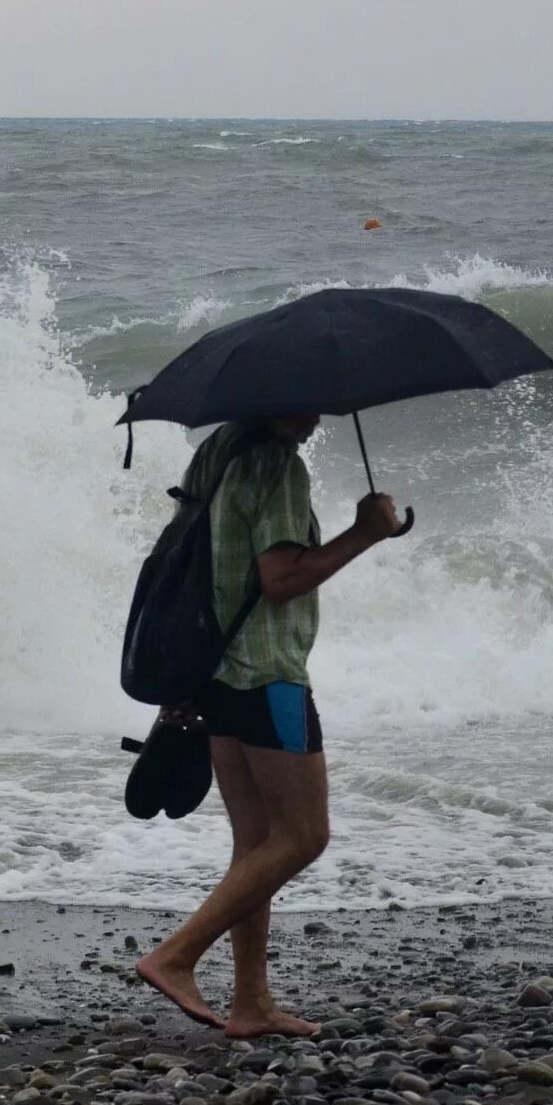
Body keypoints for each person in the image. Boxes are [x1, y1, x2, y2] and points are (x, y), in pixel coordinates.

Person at [135, 413, 401, 1037]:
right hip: (266, 672)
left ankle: (250, 1003)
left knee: (256, 845)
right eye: (305, 403)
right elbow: (280, 580)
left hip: (215, 668)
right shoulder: (277, 464)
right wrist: (365, 533)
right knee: (304, 836)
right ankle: (175, 957)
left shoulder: (219, 449)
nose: (314, 418)